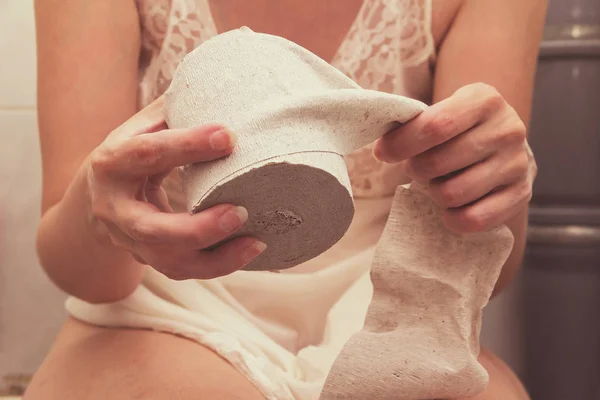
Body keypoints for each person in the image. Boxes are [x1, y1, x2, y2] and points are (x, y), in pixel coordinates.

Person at [26, 0, 546, 399]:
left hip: (393, 307)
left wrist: (497, 191)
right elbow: (89, 275)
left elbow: (486, 268)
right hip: (167, 301)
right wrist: (105, 219)